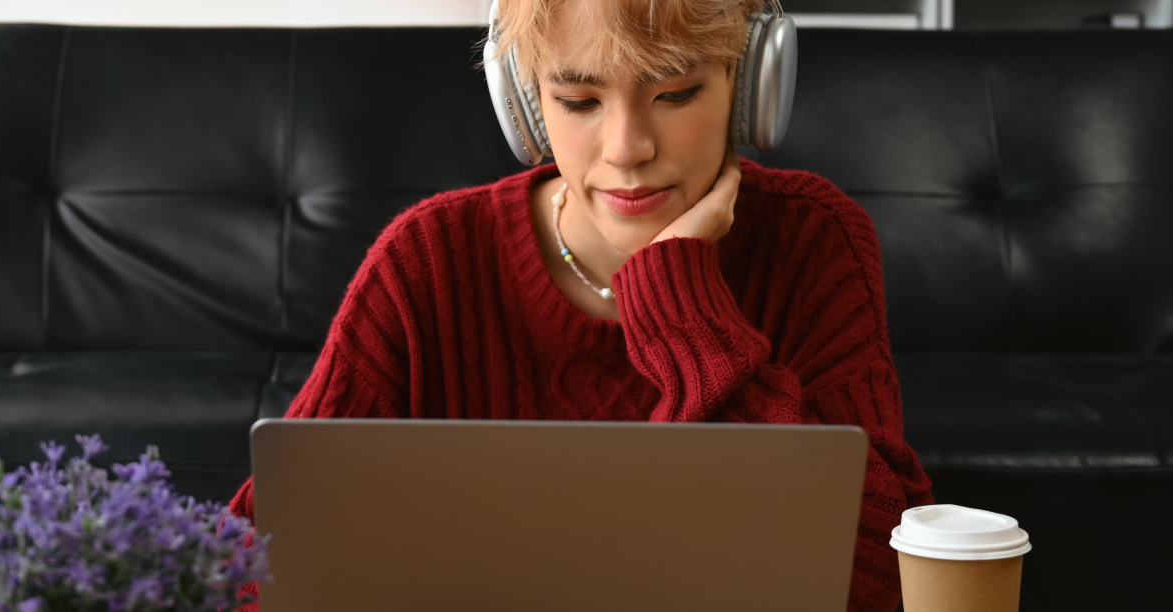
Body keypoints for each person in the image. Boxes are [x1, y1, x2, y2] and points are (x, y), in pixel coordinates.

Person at [231, 0, 933, 609]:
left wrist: (681, 301)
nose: (627, 149)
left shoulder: (816, 239)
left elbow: (876, 577)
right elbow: (249, 565)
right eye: (578, 101)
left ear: (750, 87)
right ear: (526, 103)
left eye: (677, 93)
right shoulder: (427, 259)